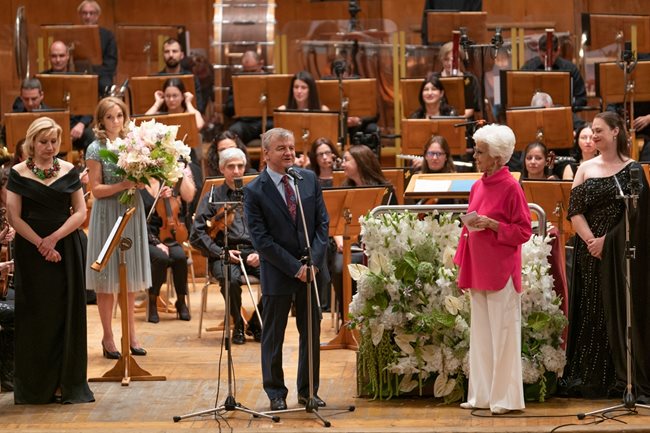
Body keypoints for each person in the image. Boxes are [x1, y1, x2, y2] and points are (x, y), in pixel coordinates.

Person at [561, 111, 650, 400]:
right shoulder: (584, 168)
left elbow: (639, 216)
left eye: (600, 130)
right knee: (591, 310)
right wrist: (590, 242)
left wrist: (607, 242)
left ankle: (621, 378)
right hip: (590, 254)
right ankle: (591, 378)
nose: (594, 136)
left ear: (616, 132)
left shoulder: (633, 168)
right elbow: (574, 211)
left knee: (619, 310)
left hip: (621, 254)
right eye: (592, 131)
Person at [6, 117, 94, 404]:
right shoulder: (17, 173)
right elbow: (13, 217)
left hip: (65, 246)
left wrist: (54, 239)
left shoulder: (69, 170)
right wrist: (40, 243)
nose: (49, 147)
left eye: (54, 141)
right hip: (31, 251)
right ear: (32, 143)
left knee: (64, 313)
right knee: (36, 314)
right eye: (43, 142)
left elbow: (80, 212)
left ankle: (64, 382)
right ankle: (36, 386)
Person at [243, 128, 329, 411]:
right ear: (266, 154)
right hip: (279, 271)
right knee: (274, 335)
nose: (289, 152)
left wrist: (312, 263)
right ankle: (275, 391)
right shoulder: (255, 190)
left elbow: (322, 226)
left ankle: (308, 391)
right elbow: (262, 240)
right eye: (281, 148)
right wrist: (295, 268)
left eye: (291, 147)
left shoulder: (309, 179)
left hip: (311, 271)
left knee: (311, 332)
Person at [455, 123, 531, 415]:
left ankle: (505, 399)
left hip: (501, 269)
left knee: (503, 336)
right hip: (478, 266)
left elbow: (523, 231)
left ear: (498, 158)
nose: (475, 156)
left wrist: (494, 224)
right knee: (481, 337)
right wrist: (462, 264)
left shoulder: (512, 186)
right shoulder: (476, 185)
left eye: (481, 152)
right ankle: (481, 396)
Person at [85, 97, 151, 359]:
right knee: (106, 281)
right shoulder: (95, 148)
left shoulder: (133, 143)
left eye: (119, 116)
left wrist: (142, 180)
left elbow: (142, 182)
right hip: (106, 214)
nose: (115, 121)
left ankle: (131, 335)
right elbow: (96, 190)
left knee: (130, 278)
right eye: (110, 117)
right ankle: (108, 337)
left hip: (130, 210)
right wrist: (123, 185)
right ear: (101, 120)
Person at [191, 148, 263, 344]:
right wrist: (221, 252)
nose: (237, 171)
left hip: (253, 252)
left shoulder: (255, 196)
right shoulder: (212, 197)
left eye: (240, 166)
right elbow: (196, 235)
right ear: (222, 169)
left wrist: (259, 252)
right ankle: (237, 324)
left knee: (281, 275)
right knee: (229, 278)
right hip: (224, 252)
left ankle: (256, 323)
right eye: (231, 167)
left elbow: (269, 228)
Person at [141, 170, 195, 323]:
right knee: (161, 258)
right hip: (146, 236)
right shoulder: (137, 185)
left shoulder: (165, 182)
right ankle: (152, 301)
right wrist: (156, 243)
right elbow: (138, 221)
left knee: (179, 257)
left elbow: (183, 210)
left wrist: (172, 196)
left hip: (167, 235)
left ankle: (181, 301)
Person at [40, 41, 96, 152]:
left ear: (67, 56)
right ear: (49, 58)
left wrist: (81, 124)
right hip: (49, 127)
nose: (58, 60)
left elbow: (89, 108)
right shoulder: (41, 79)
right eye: (54, 56)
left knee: (92, 137)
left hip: (75, 127)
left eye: (61, 56)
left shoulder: (80, 79)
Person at [521, 34, 587, 109]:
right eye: (543, 56)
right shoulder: (528, 68)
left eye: (551, 56)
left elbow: (582, 99)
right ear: (538, 50)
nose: (547, 60)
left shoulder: (570, 69)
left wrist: (566, 105)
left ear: (558, 50)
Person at [224, 50, 273, 145]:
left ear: (261, 64)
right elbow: (228, 109)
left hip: (268, 122)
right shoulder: (238, 81)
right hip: (246, 124)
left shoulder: (272, 79)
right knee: (232, 133)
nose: (249, 74)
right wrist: (239, 101)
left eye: (253, 71)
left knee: (280, 130)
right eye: (246, 71)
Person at [77, 0, 117, 96]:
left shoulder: (108, 36)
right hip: (78, 74)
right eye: (85, 13)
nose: (88, 17)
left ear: (97, 15)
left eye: (91, 13)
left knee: (105, 85)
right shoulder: (75, 34)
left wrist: (93, 74)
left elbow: (111, 64)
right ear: (80, 15)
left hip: (102, 75)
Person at [158, 38, 206, 114]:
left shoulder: (191, 78)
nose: (171, 55)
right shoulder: (155, 78)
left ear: (181, 55)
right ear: (163, 55)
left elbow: (199, 107)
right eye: (167, 52)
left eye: (174, 51)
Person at [438, 41, 481, 119]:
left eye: (454, 59)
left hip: (464, 122)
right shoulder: (435, 79)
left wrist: (455, 121)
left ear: (460, 59)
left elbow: (470, 109)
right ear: (441, 60)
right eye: (446, 59)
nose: (450, 63)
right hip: (439, 120)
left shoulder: (470, 80)